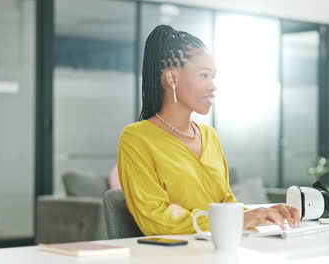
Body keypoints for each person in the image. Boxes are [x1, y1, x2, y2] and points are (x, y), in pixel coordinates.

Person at [117, 25, 300, 236]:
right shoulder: (136, 138)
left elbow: (226, 203)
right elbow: (157, 220)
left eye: (213, 76)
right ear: (171, 78)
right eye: (204, 75)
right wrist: (238, 219)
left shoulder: (209, 135)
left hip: (222, 248)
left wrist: (262, 213)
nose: (213, 86)